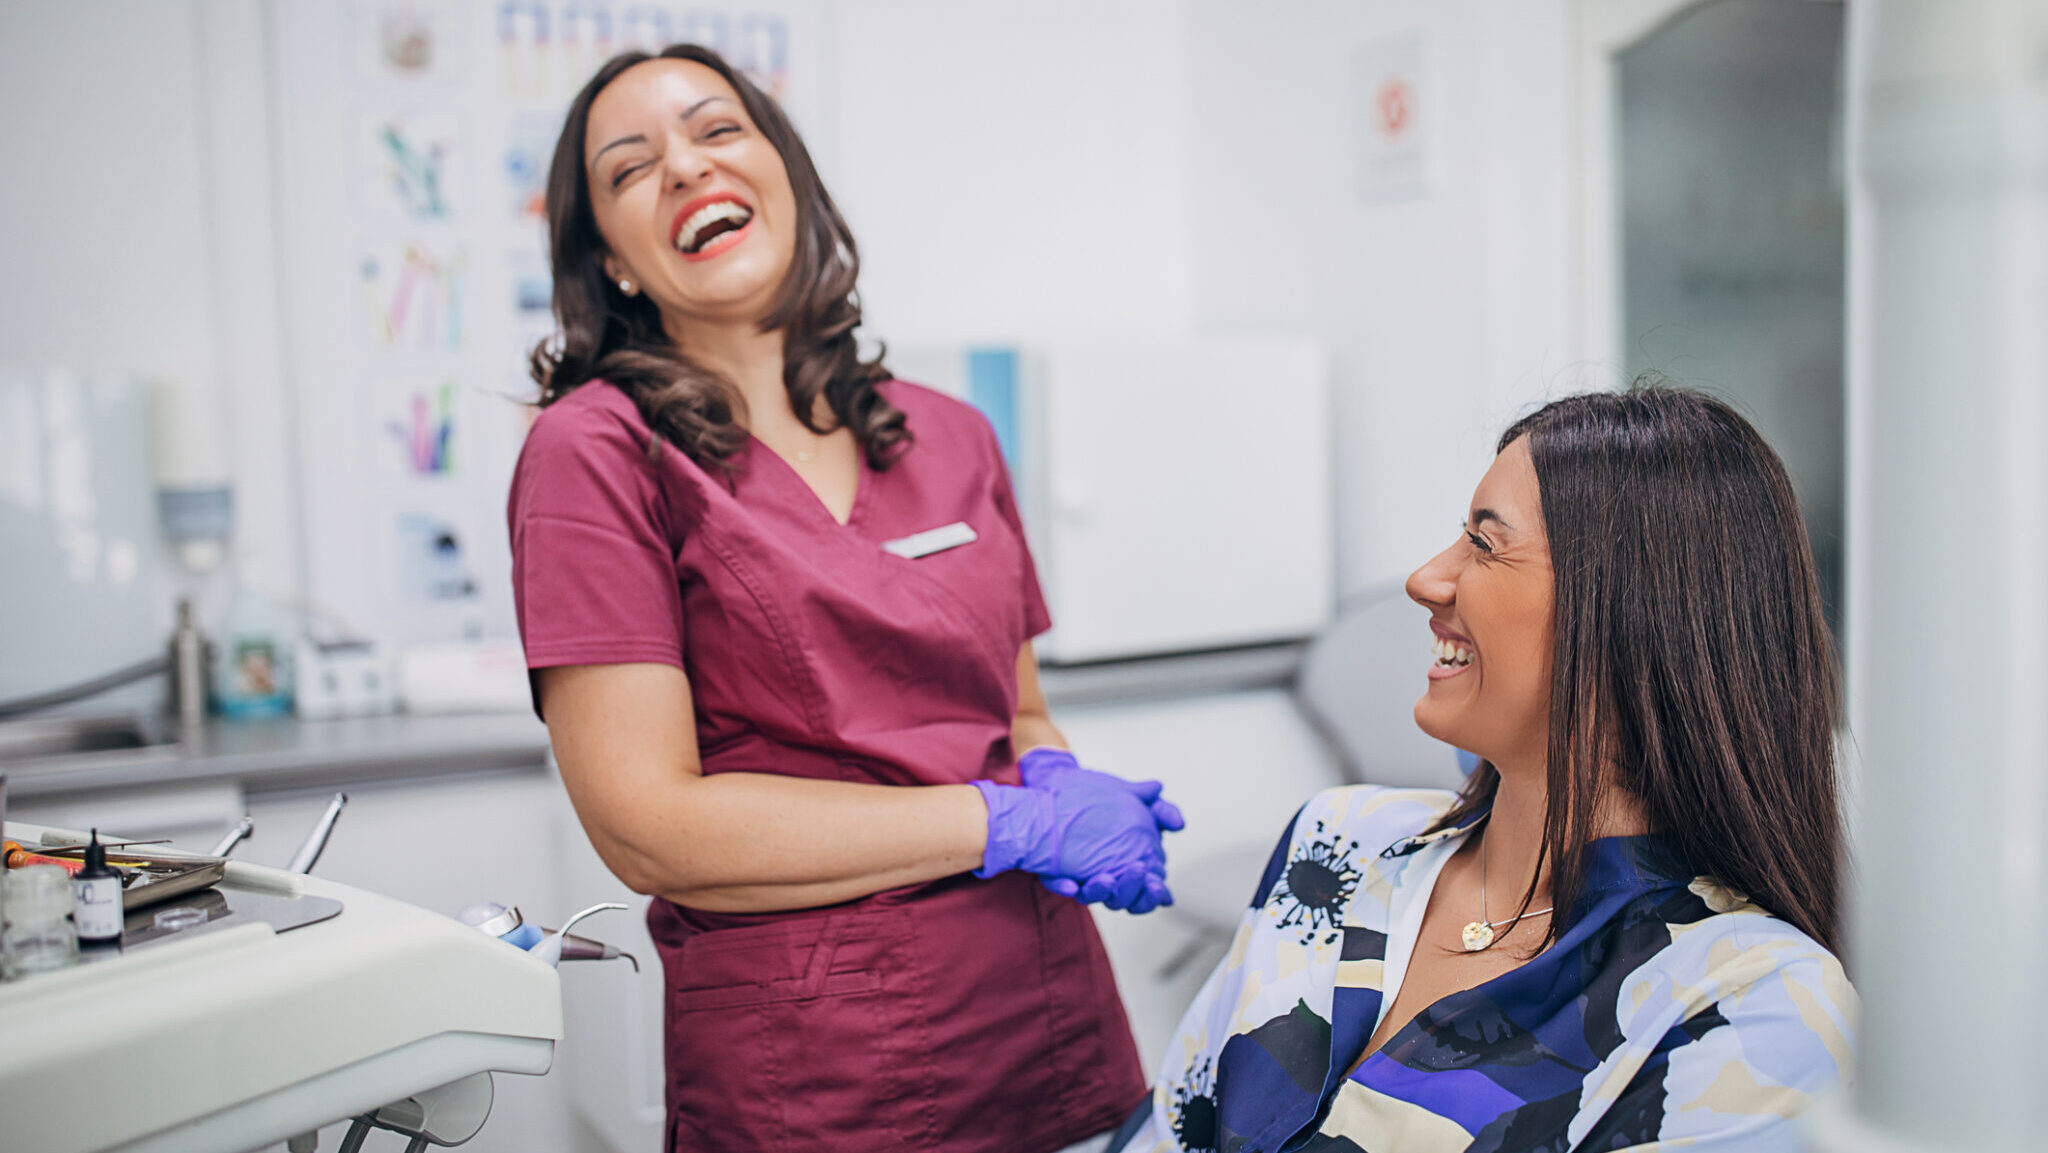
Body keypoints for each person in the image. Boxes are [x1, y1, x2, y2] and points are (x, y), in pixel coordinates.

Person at [507, 44, 1176, 1152]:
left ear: (786, 176)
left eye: (717, 130)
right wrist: (1004, 819)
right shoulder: (596, 453)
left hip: (1061, 1046)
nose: (683, 167)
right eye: (630, 169)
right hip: (825, 1085)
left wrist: (1055, 776)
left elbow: (1015, 714)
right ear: (613, 263)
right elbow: (649, 826)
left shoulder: (947, 431)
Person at [1113, 387, 1857, 1152]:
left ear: (1632, 617)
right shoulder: (1341, 842)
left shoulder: (1756, 1003)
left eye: (1485, 543)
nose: (1427, 579)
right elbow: (1170, 1129)